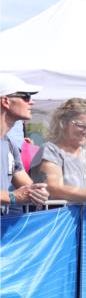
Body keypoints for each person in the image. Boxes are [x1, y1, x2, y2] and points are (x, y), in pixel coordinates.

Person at [0, 74, 49, 211]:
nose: (31, 102)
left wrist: (39, 192)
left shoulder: (9, 144)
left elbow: (27, 185)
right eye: (26, 96)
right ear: (5, 101)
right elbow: (16, 195)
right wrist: (12, 197)